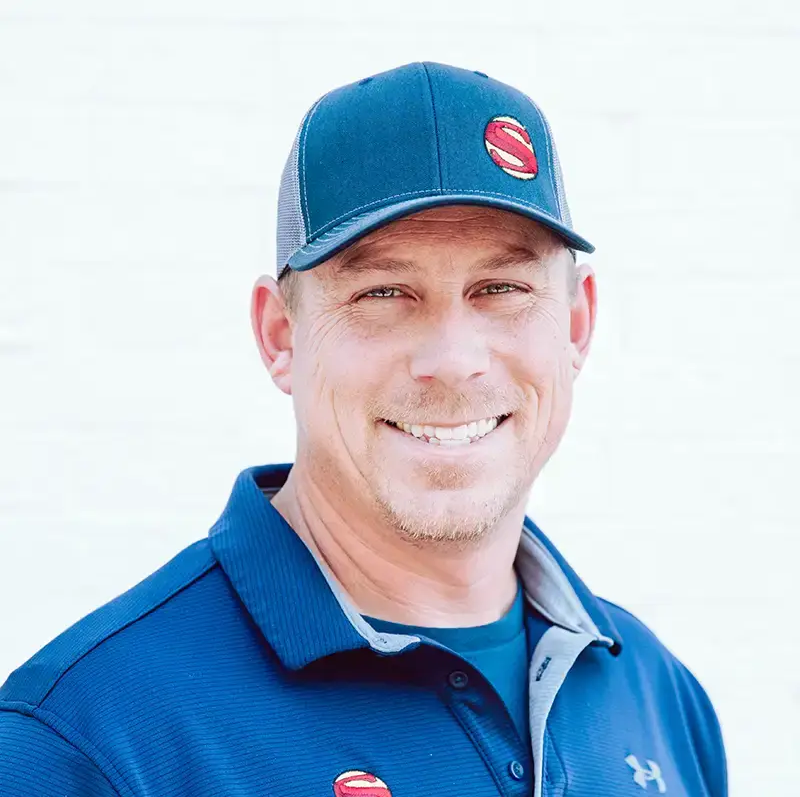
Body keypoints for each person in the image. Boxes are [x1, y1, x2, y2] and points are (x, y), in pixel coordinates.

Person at [0, 62, 727, 796]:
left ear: (576, 324)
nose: (453, 361)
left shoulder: (659, 698)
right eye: (384, 292)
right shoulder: (88, 741)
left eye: (501, 288)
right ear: (281, 335)